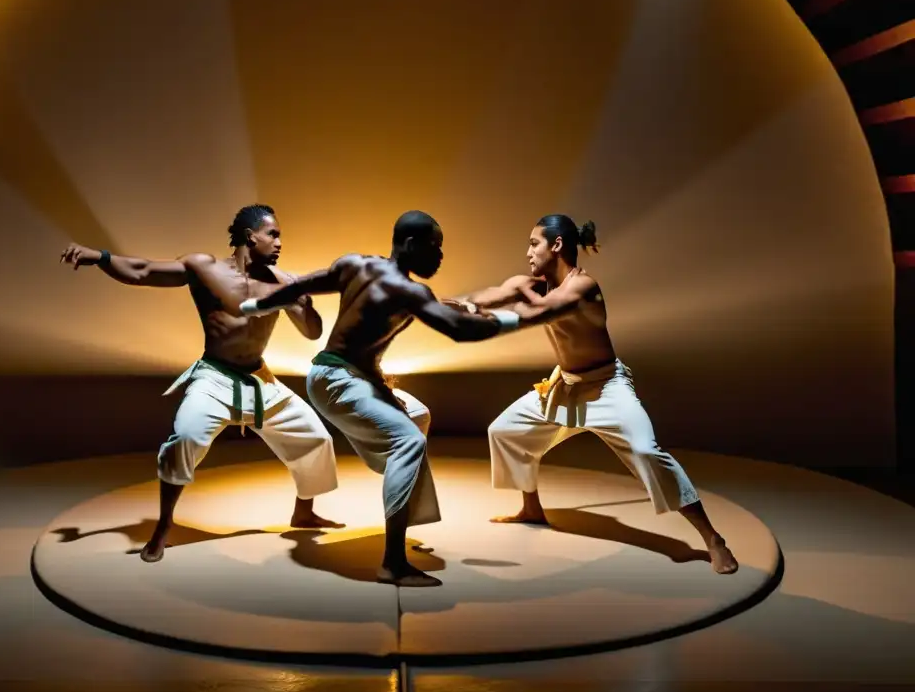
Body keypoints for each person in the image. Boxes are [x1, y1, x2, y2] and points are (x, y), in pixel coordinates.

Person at [239, 211, 521, 586]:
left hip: (344, 378)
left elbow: (299, 287)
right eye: (434, 247)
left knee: (417, 416)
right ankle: (393, 563)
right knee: (408, 441)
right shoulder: (411, 292)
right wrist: (518, 319)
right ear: (409, 245)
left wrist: (258, 306)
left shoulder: (357, 265)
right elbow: (455, 329)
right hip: (338, 380)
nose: (439, 256)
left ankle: (400, 501)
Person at [449, 214, 739, 575]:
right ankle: (531, 508)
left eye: (534, 243)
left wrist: (494, 307)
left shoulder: (583, 287)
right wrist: (447, 304)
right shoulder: (535, 284)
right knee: (505, 431)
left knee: (647, 451)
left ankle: (713, 539)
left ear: (556, 246)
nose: (528, 252)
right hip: (564, 384)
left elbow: (541, 312)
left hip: (606, 388)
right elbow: (489, 295)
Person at [59, 204, 343, 563]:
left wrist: (300, 300)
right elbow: (142, 271)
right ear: (249, 236)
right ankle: (163, 525)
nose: (279, 242)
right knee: (187, 437)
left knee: (316, 439)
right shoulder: (205, 268)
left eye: (279, 235)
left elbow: (312, 332)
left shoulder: (283, 281)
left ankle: (303, 512)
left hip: (260, 379)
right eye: (273, 234)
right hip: (216, 377)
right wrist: (99, 256)